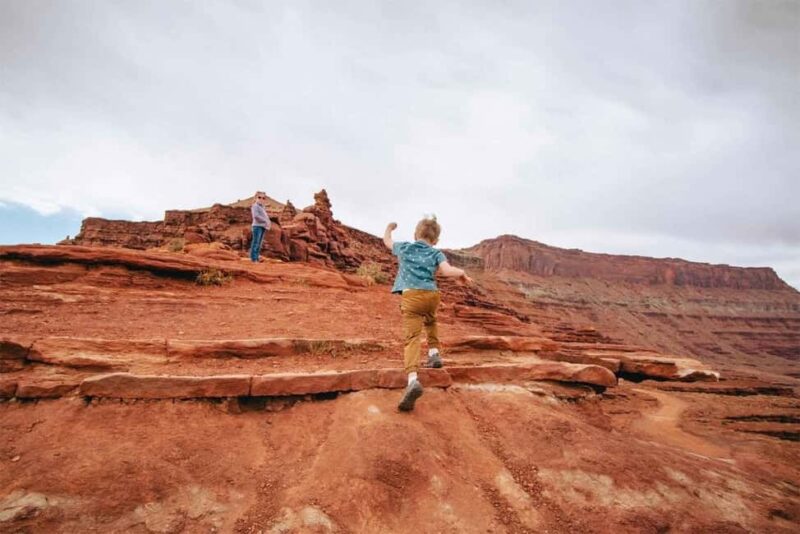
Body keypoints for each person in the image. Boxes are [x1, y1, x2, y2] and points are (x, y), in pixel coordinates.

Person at [383, 216, 472, 412]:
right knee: (431, 321)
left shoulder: (405, 247)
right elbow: (448, 271)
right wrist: (463, 274)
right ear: (436, 240)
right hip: (432, 295)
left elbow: (387, 241)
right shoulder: (436, 253)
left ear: (416, 234)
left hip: (411, 296)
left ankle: (413, 380)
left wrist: (390, 228)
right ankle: (434, 354)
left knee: (412, 337)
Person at [250, 191, 271, 263]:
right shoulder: (255, 206)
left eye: (263, 198)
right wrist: (265, 221)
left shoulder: (262, 207)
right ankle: (254, 259)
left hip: (262, 226)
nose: (261, 199)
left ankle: (256, 257)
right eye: (259, 197)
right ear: (256, 197)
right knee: (256, 242)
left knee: (259, 243)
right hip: (257, 226)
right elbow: (256, 216)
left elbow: (264, 216)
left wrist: (267, 222)